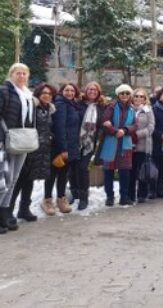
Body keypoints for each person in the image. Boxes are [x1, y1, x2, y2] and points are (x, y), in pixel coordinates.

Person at [9, 83, 56, 222]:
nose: (46, 95)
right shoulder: (32, 107)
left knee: (29, 180)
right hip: (28, 148)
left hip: (41, 149)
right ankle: (8, 211)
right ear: (38, 94)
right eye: (43, 93)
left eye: (49, 93)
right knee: (18, 180)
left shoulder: (49, 109)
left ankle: (24, 209)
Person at [0, 64, 36, 233]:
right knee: (3, 181)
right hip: (6, 140)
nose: (21, 76)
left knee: (13, 179)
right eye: (18, 73)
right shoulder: (4, 90)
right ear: (11, 74)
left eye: (24, 73)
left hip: (22, 140)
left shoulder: (28, 95)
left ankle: (4, 214)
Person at [45, 82, 82, 215]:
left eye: (72, 91)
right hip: (60, 147)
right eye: (67, 90)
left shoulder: (72, 104)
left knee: (63, 174)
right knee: (52, 174)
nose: (70, 93)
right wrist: (63, 148)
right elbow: (59, 128)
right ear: (62, 91)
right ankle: (47, 200)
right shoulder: (61, 104)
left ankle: (61, 199)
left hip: (70, 146)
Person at [101, 84, 137, 206]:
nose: (125, 95)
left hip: (125, 144)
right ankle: (109, 197)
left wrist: (125, 130)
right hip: (111, 143)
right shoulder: (111, 107)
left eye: (127, 93)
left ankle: (124, 197)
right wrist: (116, 132)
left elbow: (135, 125)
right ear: (118, 95)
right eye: (122, 93)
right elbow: (105, 122)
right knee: (108, 172)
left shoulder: (132, 109)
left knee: (125, 172)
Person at [71, 81, 105, 210]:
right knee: (73, 168)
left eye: (95, 90)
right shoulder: (78, 104)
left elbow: (103, 122)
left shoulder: (101, 107)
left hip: (90, 142)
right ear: (86, 91)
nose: (92, 91)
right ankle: (75, 193)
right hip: (76, 140)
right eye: (90, 89)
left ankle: (84, 197)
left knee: (82, 168)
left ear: (98, 92)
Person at [128, 88, 154, 203]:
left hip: (143, 146)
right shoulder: (129, 109)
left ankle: (142, 194)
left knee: (142, 171)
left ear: (145, 99)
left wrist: (137, 135)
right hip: (129, 146)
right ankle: (130, 195)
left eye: (141, 96)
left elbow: (151, 127)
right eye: (136, 96)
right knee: (131, 172)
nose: (138, 98)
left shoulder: (148, 110)